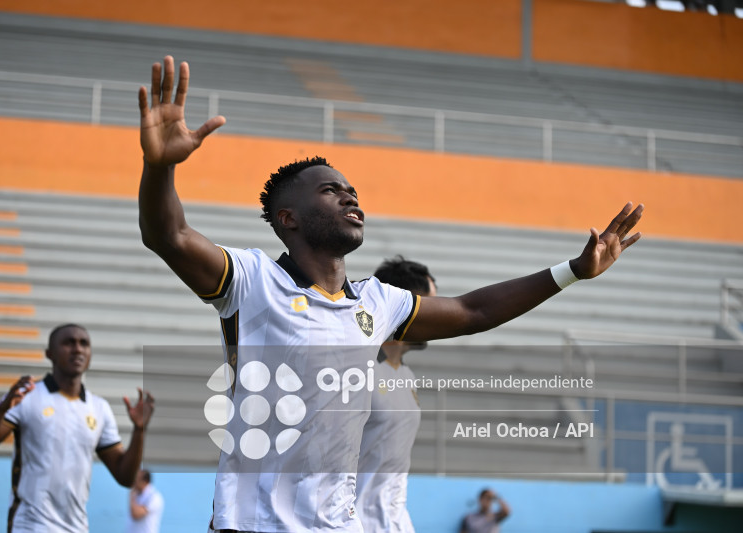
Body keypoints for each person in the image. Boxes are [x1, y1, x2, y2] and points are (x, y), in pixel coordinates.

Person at [137, 55, 643, 533]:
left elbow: (474, 310)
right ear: (287, 218)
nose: (349, 195)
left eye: (351, 189)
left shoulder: (378, 303)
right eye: (329, 190)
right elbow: (170, 236)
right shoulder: (250, 279)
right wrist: (160, 167)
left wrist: (573, 271)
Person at [0, 324, 155, 533]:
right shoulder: (26, 396)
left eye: (84, 343)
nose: (78, 349)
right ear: (50, 354)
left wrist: (139, 431)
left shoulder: (99, 408)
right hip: (29, 526)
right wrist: (2, 409)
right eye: (68, 343)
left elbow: (125, 477)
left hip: (77, 528)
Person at [356, 257, 437, 533]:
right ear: (405, 305)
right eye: (432, 305)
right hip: (354, 522)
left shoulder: (406, 375)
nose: (440, 314)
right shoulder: (356, 369)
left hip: (395, 521)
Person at [127, 469, 165, 533]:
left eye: (137, 480)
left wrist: (132, 495)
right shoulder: (138, 494)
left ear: (145, 481)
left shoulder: (154, 497)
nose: (134, 483)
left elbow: (136, 514)